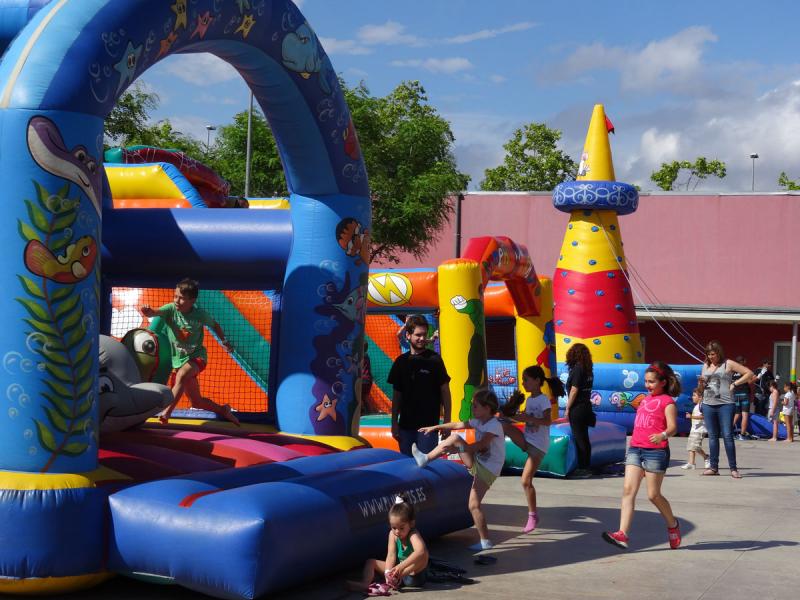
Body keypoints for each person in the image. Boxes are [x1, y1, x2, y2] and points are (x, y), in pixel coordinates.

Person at [601, 361, 681, 551]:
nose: (647, 385)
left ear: (663, 382)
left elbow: (673, 428)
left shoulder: (668, 402)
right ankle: (622, 534)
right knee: (628, 490)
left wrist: (662, 435)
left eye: (651, 382)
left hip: (656, 451)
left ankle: (672, 524)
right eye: (646, 381)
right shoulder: (645, 400)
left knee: (653, 495)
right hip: (636, 449)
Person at [412, 388, 504, 551]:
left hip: (489, 468)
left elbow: (481, 445)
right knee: (454, 437)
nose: (472, 409)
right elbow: (457, 425)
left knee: (473, 505)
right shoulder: (479, 422)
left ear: (487, 409)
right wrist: (435, 427)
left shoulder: (494, 425)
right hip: (478, 463)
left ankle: (486, 541)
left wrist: (458, 451)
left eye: (475, 406)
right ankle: (425, 459)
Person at [141, 278, 239, 426]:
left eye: (182, 298)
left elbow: (215, 325)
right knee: (197, 402)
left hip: (197, 357)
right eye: (175, 296)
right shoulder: (170, 310)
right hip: (178, 361)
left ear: (192, 301)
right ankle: (223, 410)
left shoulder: (200, 315)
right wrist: (147, 311)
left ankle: (166, 413)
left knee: (181, 376)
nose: (177, 301)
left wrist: (224, 342)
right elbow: (154, 312)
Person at [499, 365, 556, 533]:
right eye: (522, 380)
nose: (523, 383)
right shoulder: (530, 400)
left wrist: (528, 418)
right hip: (527, 440)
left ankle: (533, 515)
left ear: (537, 381)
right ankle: (491, 454)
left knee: (525, 481)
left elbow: (547, 421)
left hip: (538, 446)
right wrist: (509, 417)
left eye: (526, 380)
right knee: (502, 425)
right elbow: (524, 419)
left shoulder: (543, 399)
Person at [388, 314, 451, 456]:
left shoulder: (434, 360)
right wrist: (394, 423)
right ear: (408, 335)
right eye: (418, 335)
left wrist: (447, 421)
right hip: (406, 425)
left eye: (424, 334)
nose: (422, 338)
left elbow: (445, 391)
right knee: (407, 465)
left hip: (429, 426)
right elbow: (397, 394)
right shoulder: (400, 362)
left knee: (425, 466)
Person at [345, 494, 429, 595]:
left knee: (424, 555)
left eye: (401, 528)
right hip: (398, 572)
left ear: (411, 524)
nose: (397, 531)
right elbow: (391, 555)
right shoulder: (392, 535)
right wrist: (388, 572)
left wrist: (401, 568)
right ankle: (365, 584)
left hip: (413, 575)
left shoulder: (413, 534)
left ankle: (398, 577)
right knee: (371, 562)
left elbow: (420, 551)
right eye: (394, 527)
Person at [700, 340, 753, 478]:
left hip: (725, 404)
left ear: (719, 353)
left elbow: (749, 373)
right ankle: (713, 467)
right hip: (708, 403)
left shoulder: (728, 363)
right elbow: (703, 385)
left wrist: (734, 384)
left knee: (727, 435)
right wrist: (701, 383)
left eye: (713, 354)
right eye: (709, 354)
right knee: (712, 436)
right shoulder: (705, 365)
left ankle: (733, 468)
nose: (711, 357)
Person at [564, 343, 596, 478]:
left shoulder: (578, 369)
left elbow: (574, 389)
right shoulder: (588, 369)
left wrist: (568, 408)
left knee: (579, 438)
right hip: (586, 406)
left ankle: (583, 468)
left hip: (578, 408)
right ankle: (586, 466)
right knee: (584, 437)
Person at [681, 388, 709, 470]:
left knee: (695, 446)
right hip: (694, 429)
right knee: (691, 446)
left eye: (694, 395)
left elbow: (704, 416)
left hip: (700, 430)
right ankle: (691, 463)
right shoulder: (697, 405)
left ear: (700, 397)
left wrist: (691, 416)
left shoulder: (702, 405)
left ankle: (706, 457)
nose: (692, 397)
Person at [731, 355, 753, 440]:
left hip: (736, 395)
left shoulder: (733, 372)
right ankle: (742, 434)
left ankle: (728, 431)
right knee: (744, 415)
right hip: (744, 394)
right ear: (742, 362)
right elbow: (750, 381)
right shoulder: (744, 370)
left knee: (736, 414)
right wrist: (756, 378)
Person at [361, 341, 374, 412]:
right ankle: (368, 411)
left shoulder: (361, 356)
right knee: (364, 397)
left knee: (362, 397)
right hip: (368, 379)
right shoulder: (366, 355)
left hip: (364, 379)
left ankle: (366, 411)